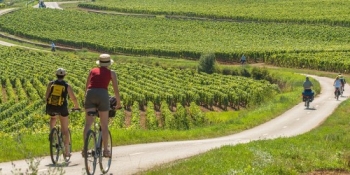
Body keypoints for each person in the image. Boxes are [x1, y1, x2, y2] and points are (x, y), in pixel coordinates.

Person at [83, 54, 121, 157]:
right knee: (104, 125)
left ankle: (84, 149)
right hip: (103, 94)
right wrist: (118, 103)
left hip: (90, 94)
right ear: (109, 63)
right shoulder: (111, 73)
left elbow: (86, 88)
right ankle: (105, 150)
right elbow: (116, 91)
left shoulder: (92, 71)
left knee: (88, 124)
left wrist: (85, 100)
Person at [45, 68, 80, 157]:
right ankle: (67, 152)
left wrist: (49, 105)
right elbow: (73, 98)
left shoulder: (51, 83)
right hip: (62, 108)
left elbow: (46, 96)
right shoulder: (66, 85)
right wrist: (76, 107)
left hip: (51, 107)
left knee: (53, 117)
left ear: (56, 75)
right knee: (65, 130)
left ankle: (52, 132)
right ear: (64, 75)